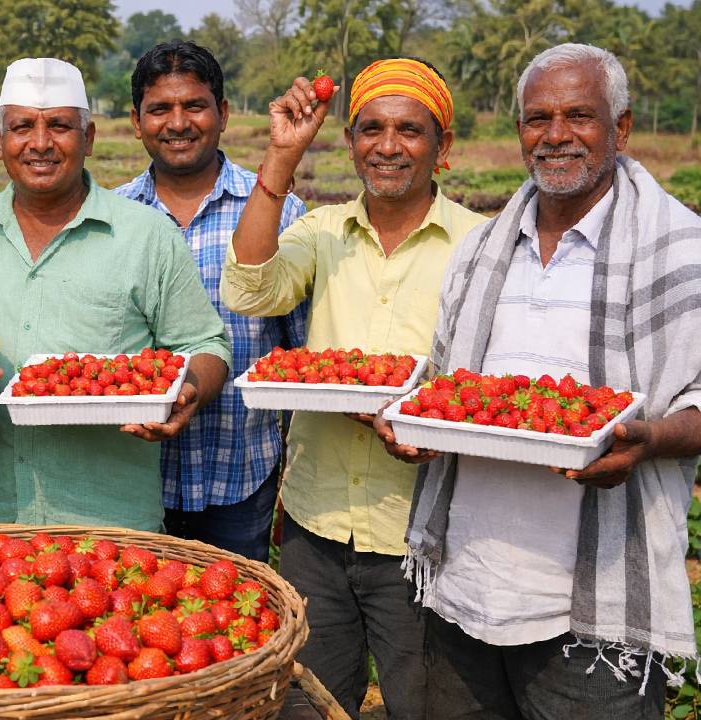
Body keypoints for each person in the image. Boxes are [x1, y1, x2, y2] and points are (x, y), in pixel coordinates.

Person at [375, 43, 701, 719]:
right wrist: (415, 427)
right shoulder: (481, 250)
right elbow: (450, 388)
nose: (556, 135)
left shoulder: (680, 252)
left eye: (579, 115)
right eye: (537, 118)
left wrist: (651, 440)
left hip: (594, 609)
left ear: (622, 127)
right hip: (466, 585)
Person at [220, 59, 485, 718]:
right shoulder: (322, 231)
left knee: (427, 705)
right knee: (310, 704)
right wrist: (282, 155)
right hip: (317, 525)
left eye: (409, 130)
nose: (388, 146)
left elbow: (492, 383)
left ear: (443, 146)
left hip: (424, 532)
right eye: (371, 129)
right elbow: (249, 288)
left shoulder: (479, 245)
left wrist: (432, 421)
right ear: (350, 140)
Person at [0, 57, 232, 531]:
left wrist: (187, 391)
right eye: (22, 127)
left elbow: (206, 344)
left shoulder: (145, 235)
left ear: (88, 138)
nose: (40, 143)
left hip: (114, 524)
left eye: (60, 126)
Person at [115, 40, 307, 562]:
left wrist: (295, 479)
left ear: (222, 113)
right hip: (135, 475)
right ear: (136, 121)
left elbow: (301, 357)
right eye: (159, 109)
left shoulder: (278, 210)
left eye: (194, 106)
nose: (178, 123)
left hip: (241, 474)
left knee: (237, 606)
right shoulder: (114, 217)